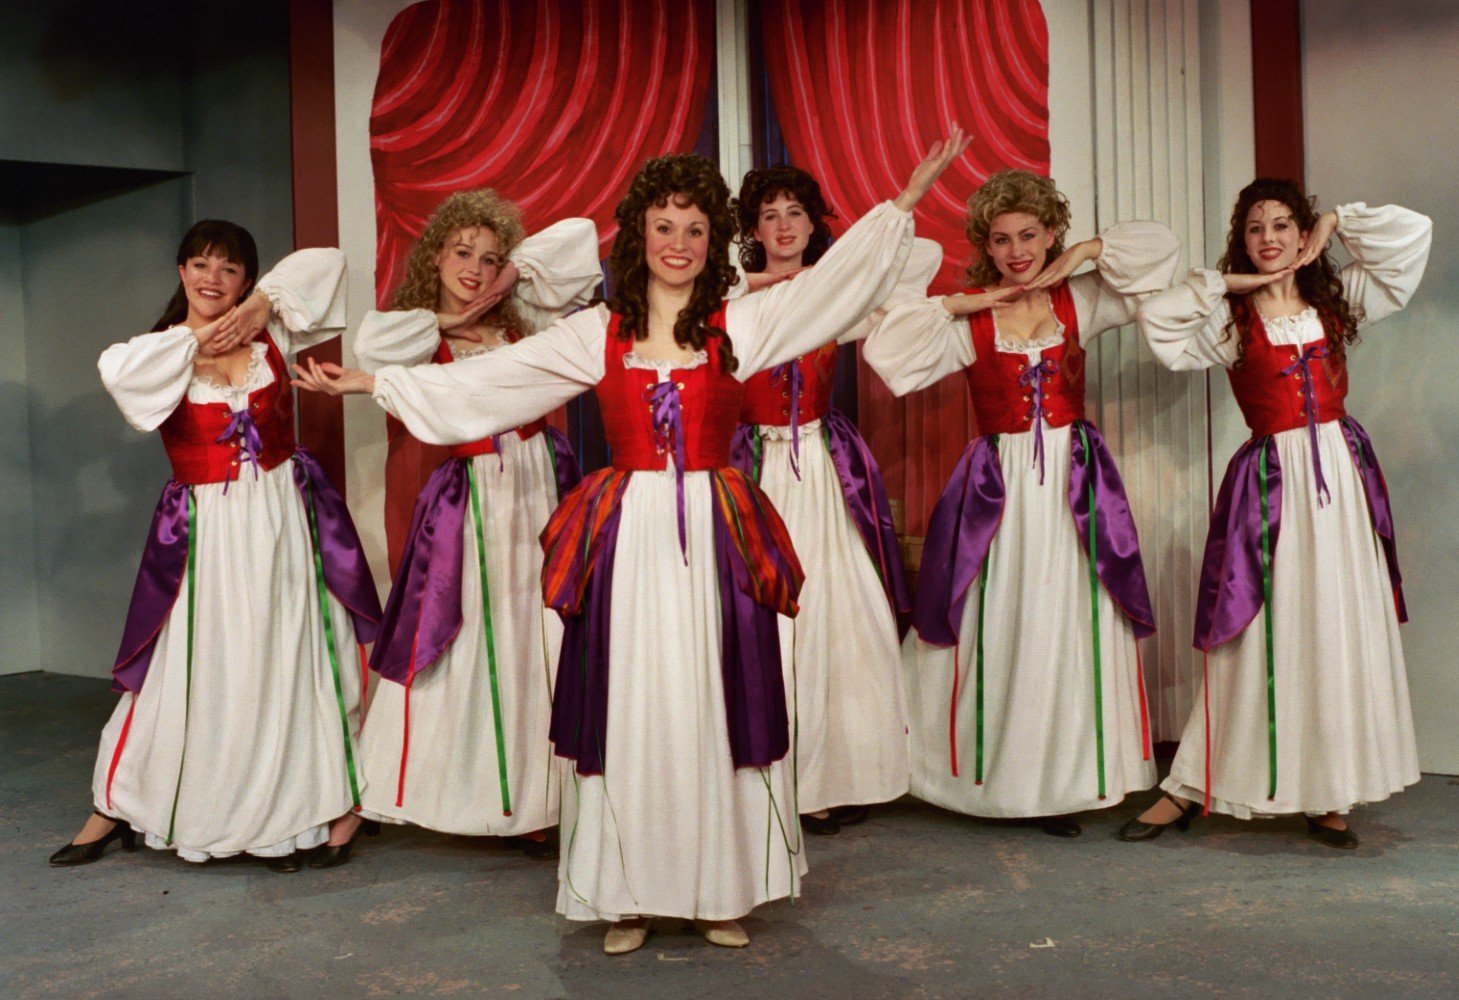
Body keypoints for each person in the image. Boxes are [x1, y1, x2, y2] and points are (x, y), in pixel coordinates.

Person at [294, 127, 968, 952]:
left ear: (713, 242)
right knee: (634, 704)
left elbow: (828, 292)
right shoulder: (595, 335)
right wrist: (373, 381)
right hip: (629, 535)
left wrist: (897, 208)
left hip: (717, 531)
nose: (678, 244)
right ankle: (629, 894)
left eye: (694, 229)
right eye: (663, 226)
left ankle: (723, 885)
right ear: (638, 237)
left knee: (713, 701)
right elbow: (488, 382)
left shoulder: (739, 327)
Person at [51, 221, 380, 873]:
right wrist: (201, 335)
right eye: (200, 264)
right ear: (180, 272)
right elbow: (119, 375)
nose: (212, 278)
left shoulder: (273, 333)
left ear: (246, 282)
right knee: (192, 668)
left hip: (285, 515)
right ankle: (116, 805)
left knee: (288, 659)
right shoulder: (163, 352)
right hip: (209, 528)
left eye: (229, 269)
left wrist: (262, 306)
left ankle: (291, 816)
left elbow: (329, 263)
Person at [864, 170, 1179, 836]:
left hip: (1073, 484)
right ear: (986, 243)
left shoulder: (1080, 302)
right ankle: (996, 780)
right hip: (1000, 488)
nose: (1016, 251)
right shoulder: (973, 320)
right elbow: (888, 351)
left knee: (1068, 624)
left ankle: (1059, 784)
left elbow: (1161, 252)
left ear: (1049, 234)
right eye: (1002, 239)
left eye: (1029, 236)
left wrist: (1084, 254)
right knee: (1004, 622)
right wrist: (962, 306)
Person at [1121, 180, 1431, 848]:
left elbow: (1411, 238)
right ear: (1243, 240)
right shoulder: (1229, 319)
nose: (1270, 238)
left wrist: (1338, 223)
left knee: (1334, 626)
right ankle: (1193, 784)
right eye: (1257, 228)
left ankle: (1327, 790)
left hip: (1342, 483)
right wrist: (1225, 282)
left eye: (1284, 225)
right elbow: (1160, 323)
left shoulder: (1337, 300)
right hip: (1273, 483)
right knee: (1264, 630)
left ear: (1301, 233)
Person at [346, 191, 600, 863]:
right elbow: (371, 344)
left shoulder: (527, 324)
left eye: (489, 258)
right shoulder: (414, 334)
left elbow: (577, 238)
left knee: (535, 638)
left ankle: (539, 796)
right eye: (462, 252)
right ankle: (441, 792)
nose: (475, 268)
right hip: (473, 500)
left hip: (539, 487)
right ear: (435, 256)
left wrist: (511, 278)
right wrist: (448, 313)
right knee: (465, 637)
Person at [729, 165, 940, 835]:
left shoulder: (840, 298)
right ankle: (763, 772)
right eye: (770, 215)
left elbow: (918, 262)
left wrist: (826, 275)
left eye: (796, 212)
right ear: (753, 231)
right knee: (766, 617)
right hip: (753, 470)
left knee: (836, 616)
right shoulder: (735, 301)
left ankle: (828, 773)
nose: (784, 225)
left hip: (820, 466)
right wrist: (777, 282)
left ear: (814, 224)